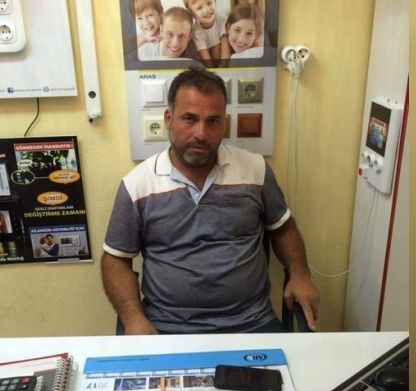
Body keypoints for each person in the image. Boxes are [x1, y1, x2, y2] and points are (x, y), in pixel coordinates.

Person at [102, 67, 320, 335]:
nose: (201, 133)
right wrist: (133, 318)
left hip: (251, 323)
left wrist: (300, 274)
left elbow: (282, 228)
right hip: (166, 328)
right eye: (189, 119)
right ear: (169, 119)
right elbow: (116, 259)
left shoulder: (255, 170)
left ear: (223, 124)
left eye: (213, 121)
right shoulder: (138, 185)